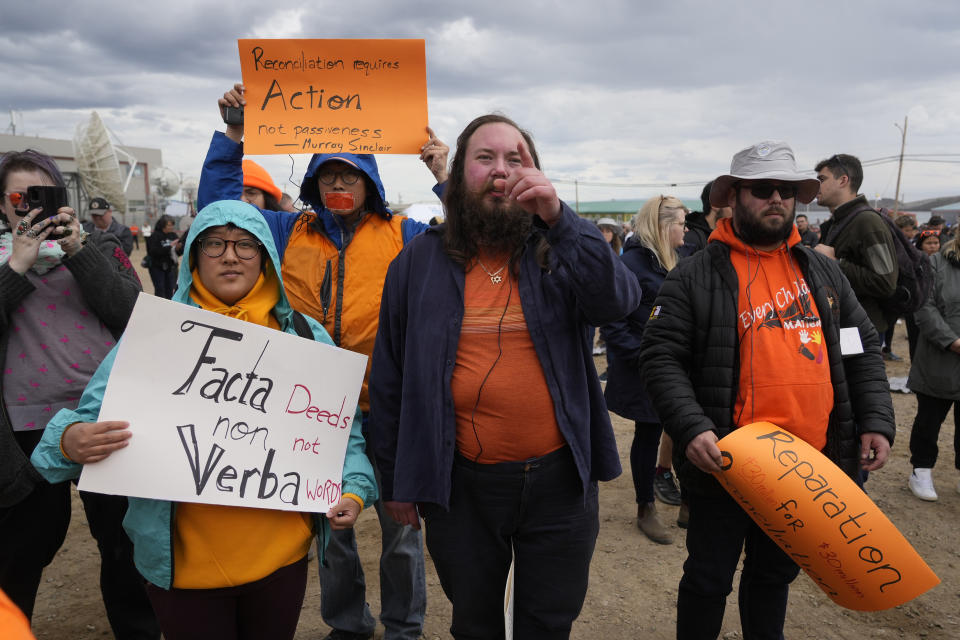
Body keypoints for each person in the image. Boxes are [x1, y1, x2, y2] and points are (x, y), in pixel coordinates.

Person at [31, 200, 377, 640]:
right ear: (193, 254)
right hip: (183, 573)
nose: (230, 255)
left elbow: (343, 434)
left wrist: (353, 488)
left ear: (266, 256)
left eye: (245, 245)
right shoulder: (155, 335)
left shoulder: (306, 337)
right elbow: (83, 425)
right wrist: (71, 440)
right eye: (214, 244)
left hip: (281, 561)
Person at [369, 114, 640, 639]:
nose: (500, 171)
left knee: (548, 621)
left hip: (560, 482)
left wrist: (561, 220)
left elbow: (620, 301)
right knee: (475, 623)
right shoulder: (417, 261)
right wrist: (396, 481)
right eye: (485, 158)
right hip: (462, 485)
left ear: (534, 172)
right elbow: (390, 379)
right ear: (458, 174)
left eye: (514, 160)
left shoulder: (558, 249)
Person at [199, 83, 447, 640]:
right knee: (331, 529)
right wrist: (235, 133)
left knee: (401, 528)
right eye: (328, 174)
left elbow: (469, 243)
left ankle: (405, 627)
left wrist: (443, 177)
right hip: (307, 409)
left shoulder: (405, 234)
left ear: (370, 182)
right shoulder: (285, 233)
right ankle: (347, 625)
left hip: (390, 408)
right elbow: (219, 213)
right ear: (312, 182)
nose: (338, 183)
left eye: (350, 174)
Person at [639, 140, 895, 639]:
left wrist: (876, 420)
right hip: (727, 463)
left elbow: (860, 349)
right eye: (762, 189)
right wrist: (691, 427)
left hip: (807, 466)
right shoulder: (695, 275)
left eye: (787, 189)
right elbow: (660, 357)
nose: (777, 198)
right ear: (733, 197)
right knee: (708, 579)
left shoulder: (821, 271)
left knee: (773, 576)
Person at [0, 149, 157, 637]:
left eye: (43, 195)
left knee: (123, 545)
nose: (30, 206)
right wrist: (15, 266)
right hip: (24, 428)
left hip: (105, 418)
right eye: (19, 197)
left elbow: (137, 318)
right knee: (22, 551)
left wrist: (79, 252)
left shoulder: (101, 249)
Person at [601, 195, 687, 545]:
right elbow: (613, 319)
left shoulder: (680, 258)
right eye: (681, 222)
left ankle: (688, 504)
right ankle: (645, 508)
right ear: (664, 226)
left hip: (679, 365)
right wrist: (642, 356)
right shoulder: (630, 265)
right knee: (649, 434)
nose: (686, 228)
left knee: (685, 430)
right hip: (644, 368)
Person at [814, 154, 898, 336]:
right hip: (842, 325)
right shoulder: (837, 222)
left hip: (862, 331)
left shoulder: (867, 222)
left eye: (822, 179)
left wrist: (835, 264)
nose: (816, 185)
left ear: (843, 180)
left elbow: (885, 282)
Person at [906, 232, 960, 501]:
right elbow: (923, 306)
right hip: (940, 356)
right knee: (929, 418)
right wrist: (951, 341)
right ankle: (921, 469)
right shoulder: (935, 264)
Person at [682, 180, 732, 256]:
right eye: (730, 203)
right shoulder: (691, 240)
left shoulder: (727, 237)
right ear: (715, 205)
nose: (737, 209)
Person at [145, 214, 180, 299]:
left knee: (170, 290)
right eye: (169, 225)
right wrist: (170, 246)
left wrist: (179, 247)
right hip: (157, 267)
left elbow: (177, 252)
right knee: (160, 290)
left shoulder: (173, 235)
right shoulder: (154, 236)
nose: (171, 227)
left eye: (172, 225)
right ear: (162, 225)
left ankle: (168, 310)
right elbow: (153, 252)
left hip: (171, 268)